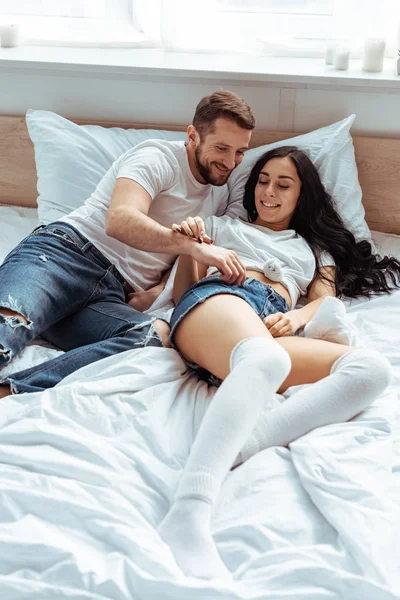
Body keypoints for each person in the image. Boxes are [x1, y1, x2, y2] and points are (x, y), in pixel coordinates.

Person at [157, 146, 400, 580]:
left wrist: (297, 315)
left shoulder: (315, 248)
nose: (269, 192)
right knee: (263, 360)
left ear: (301, 195)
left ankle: (239, 446)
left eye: (283, 184)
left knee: (371, 370)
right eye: (263, 181)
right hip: (216, 303)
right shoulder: (220, 226)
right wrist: (193, 250)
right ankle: (188, 511)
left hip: (266, 328)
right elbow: (180, 297)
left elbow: (323, 299)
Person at [0, 90, 255, 397]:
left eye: (240, 152)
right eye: (222, 148)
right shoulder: (157, 157)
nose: (230, 162)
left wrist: (158, 291)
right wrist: (191, 246)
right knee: (7, 326)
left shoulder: (220, 194)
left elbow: (181, 257)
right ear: (193, 136)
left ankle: (13, 390)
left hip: (110, 296)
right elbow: (120, 219)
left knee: (156, 335)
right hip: (65, 256)